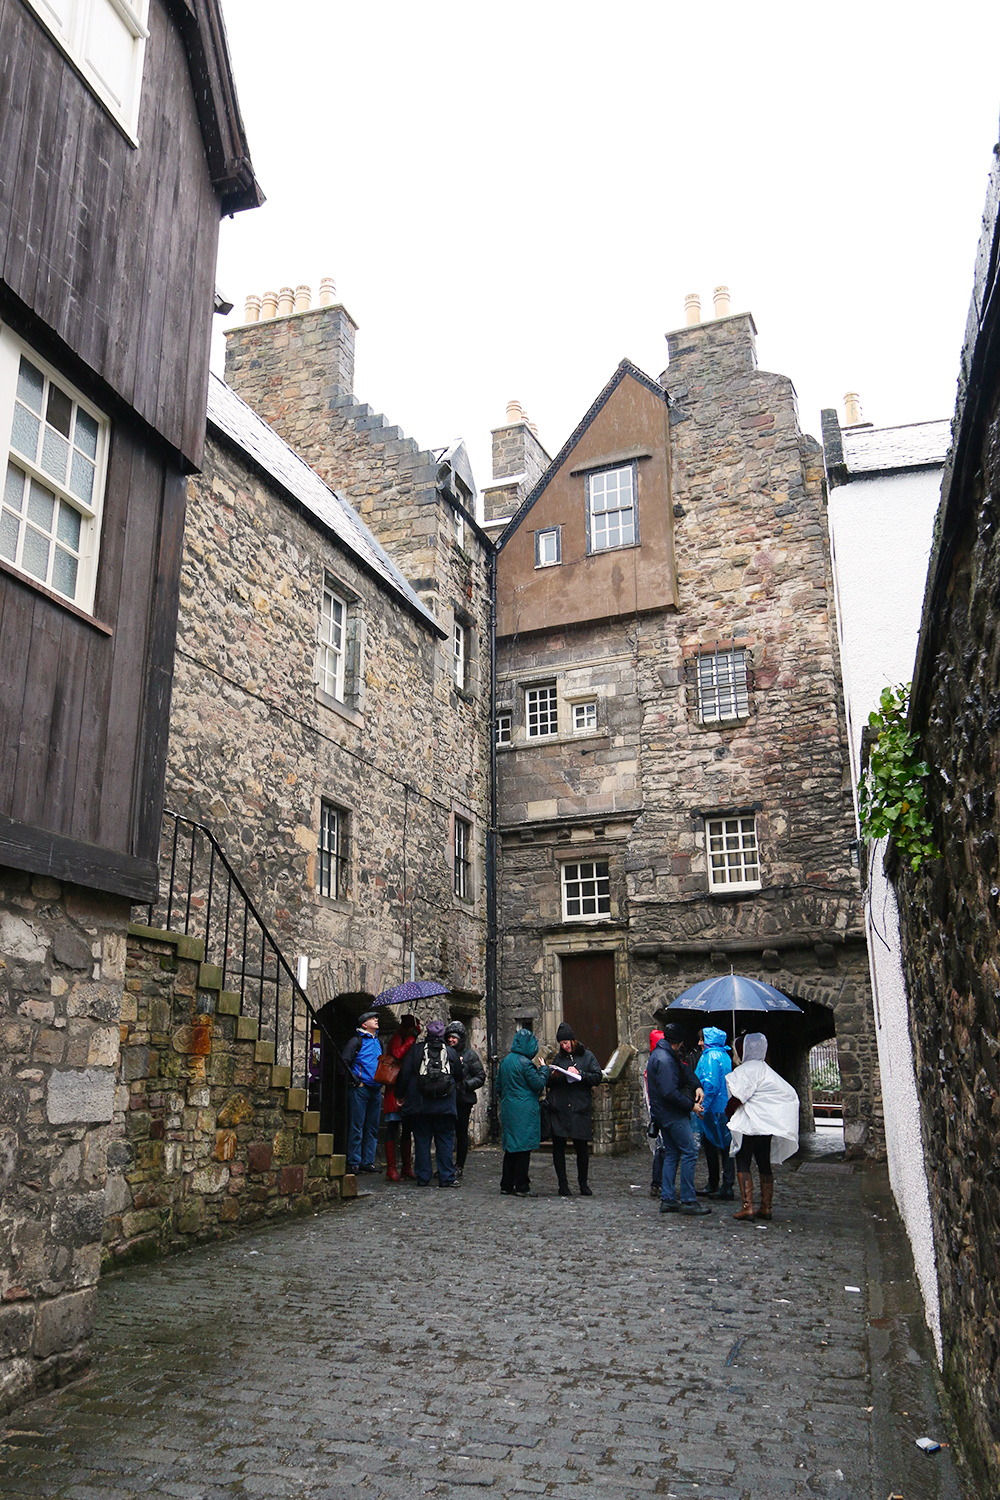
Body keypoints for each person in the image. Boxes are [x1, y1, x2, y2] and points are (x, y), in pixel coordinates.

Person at [724, 1032, 800, 1221]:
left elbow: (739, 1097)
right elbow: (786, 1094)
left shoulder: (746, 1071)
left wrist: (728, 1111)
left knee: (743, 1161)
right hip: (765, 1127)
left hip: (749, 1125)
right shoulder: (768, 1071)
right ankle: (766, 1206)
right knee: (763, 1162)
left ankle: (747, 1206)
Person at [646, 1022, 710, 1216]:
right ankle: (688, 1200)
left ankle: (668, 1198)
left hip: (663, 1114)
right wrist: (691, 1106)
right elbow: (669, 1092)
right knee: (690, 1151)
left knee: (672, 1153)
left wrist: (697, 1085)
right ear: (680, 1042)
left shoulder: (662, 1054)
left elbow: (684, 1071)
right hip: (671, 1114)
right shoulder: (665, 1059)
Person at [394, 1019, 463, 1187]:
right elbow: (459, 1076)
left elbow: (404, 1074)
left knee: (422, 1139)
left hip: (421, 1104)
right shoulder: (450, 1052)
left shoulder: (416, 1050)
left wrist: (400, 1094)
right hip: (445, 1104)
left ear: (427, 1034)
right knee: (445, 1140)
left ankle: (423, 1177)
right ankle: (446, 1177)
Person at [546, 1022, 602, 1196]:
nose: (564, 1046)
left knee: (582, 1148)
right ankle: (563, 1184)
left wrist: (580, 1074)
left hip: (579, 1107)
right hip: (561, 1108)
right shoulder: (559, 1058)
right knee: (558, 1147)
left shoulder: (587, 1056)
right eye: (561, 1044)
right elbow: (549, 1083)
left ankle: (583, 1183)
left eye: (566, 1042)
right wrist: (555, 1076)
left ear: (572, 1040)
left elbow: (597, 1077)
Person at [496, 1028, 550, 1195]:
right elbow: (538, 1084)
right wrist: (544, 1070)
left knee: (511, 1148)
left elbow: (498, 1087)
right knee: (523, 1148)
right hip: (524, 1110)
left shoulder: (505, 1062)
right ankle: (521, 1185)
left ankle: (506, 1184)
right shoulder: (526, 1064)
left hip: (508, 1107)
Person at [694, 1026, 736, 1201]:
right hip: (723, 1106)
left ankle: (716, 1184)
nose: (700, 1043)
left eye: (702, 1039)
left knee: (712, 1146)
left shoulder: (710, 1056)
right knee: (726, 1147)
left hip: (713, 1109)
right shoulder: (724, 1055)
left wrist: (702, 1106)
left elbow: (710, 1085)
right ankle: (726, 1184)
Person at [444, 1020, 486, 1181]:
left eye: (454, 1037)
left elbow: (480, 1076)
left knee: (461, 1133)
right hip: (447, 1098)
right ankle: (446, 1165)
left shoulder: (469, 1055)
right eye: (449, 1037)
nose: (451, 1040)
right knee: (446, 1133)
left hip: (463, 1099)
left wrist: (466, 1085)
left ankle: (459, 1165)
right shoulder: (444, 1053)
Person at [342, 1009, 383, 1174]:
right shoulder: (356, 1041)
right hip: (361, 1089)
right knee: (357, 1126)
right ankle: (354, 1161)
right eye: (372, 1018)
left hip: (376, 1089)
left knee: (372, 1127)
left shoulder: (378, 1042)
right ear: (364, 1024)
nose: (376, 1020)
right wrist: (355, 1081)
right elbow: (344, 1062)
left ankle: (368, 1161)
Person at [381, 1014, 420, 1181]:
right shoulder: (397, 1038)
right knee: (392, 1127)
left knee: (407, 1129)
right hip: (394, 1089)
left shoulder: (407, 1039)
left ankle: (406, 1166)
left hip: (406, 1089)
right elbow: (397, 1054)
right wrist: (411, 1040)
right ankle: (391, 1168)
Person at [644, 1028, 665, 1198]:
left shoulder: (651, 1064)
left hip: (655, 1110)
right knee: (664, 1149)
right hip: (662, 1111)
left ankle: (657, 1183)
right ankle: (659, 1183)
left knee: (661, 1149)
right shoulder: (660, 1063)